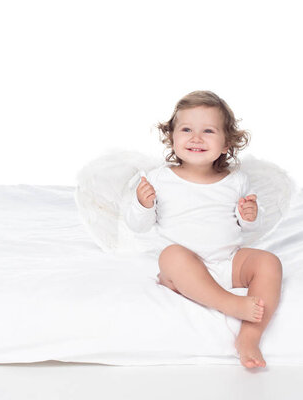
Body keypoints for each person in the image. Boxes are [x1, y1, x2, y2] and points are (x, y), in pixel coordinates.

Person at [124, 90, 283, 369]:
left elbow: (250, 227)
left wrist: (250, 215)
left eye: (208, 131)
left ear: (226, 144)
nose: (196, 138)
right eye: (186, 129)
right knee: (171, 255)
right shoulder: (159, 178)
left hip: (226, 262)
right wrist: (142, 204)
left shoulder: (236, 180)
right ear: (172, 138)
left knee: (268, 262)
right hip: (185, 268)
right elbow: (138, 226)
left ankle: (249, 336)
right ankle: (229, 303)